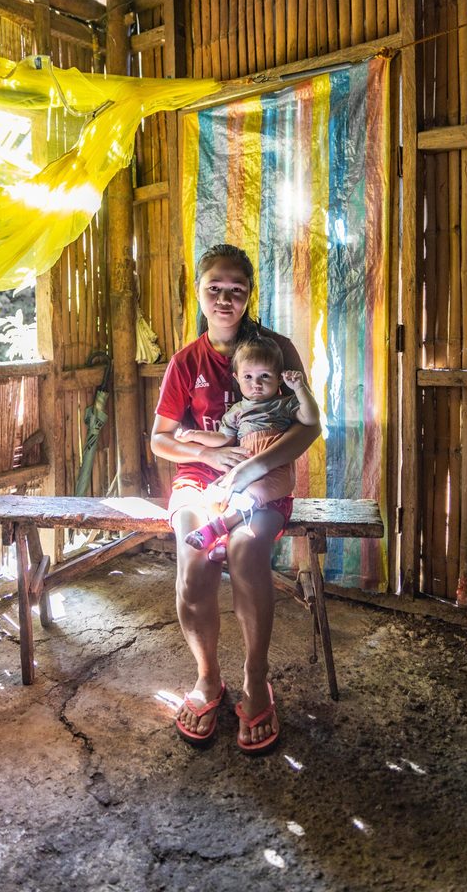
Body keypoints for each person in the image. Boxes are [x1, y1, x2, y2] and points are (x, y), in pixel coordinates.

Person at [150, 244, 321, 753]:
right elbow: (160, 439)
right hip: (197, 481)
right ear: (199, 292)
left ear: (249, 295)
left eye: (236, 290)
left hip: (264, 480)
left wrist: (250, 466)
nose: (225, 299)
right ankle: (207, 678)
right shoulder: (186, 362)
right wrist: (206, 451)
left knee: (247, 551)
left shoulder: (277, 350)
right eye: (214, 289)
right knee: (194, 554)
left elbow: (309, 428)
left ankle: (255, 678)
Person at [175, 334, 316, 559]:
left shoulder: (283, 404)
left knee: (250, 496)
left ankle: (213, 530)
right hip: (243, 469)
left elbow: (311, 420)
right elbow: (222, 438)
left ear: (279, 379)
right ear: (236, 378)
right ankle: (223, 542)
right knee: (216, 496)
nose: (256, 384)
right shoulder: (237, 411)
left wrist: (300, 389)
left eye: (265, 376)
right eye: (248, 376)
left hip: (275, 471)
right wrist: (194, 435)